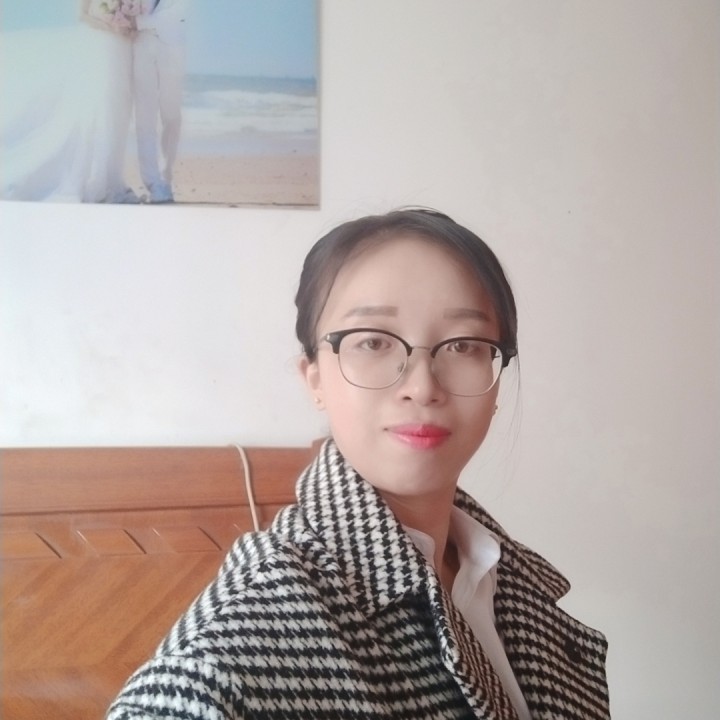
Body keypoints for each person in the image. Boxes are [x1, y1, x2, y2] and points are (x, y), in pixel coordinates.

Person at [106, 209, 611, 719]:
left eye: (463, 345)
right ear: (314, 378)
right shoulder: (218, 668)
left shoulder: (499, 574)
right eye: (373, 341)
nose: (423, 387)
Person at [0, 0, 139, 204]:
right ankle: (90, 179)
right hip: (99, 46)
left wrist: (129, 25)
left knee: (116, 112)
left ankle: (108, 179)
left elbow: (142, 17)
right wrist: (109, 23)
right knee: (96, 110)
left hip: (122, 49)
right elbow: (83, 15)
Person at [130, 0, 188, 203]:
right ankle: (152, 182)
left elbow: (177, 11)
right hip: (141, 47)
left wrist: (136, 22)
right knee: (144, 116)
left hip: (171, 48)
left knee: (171, 115)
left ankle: (166, 175)